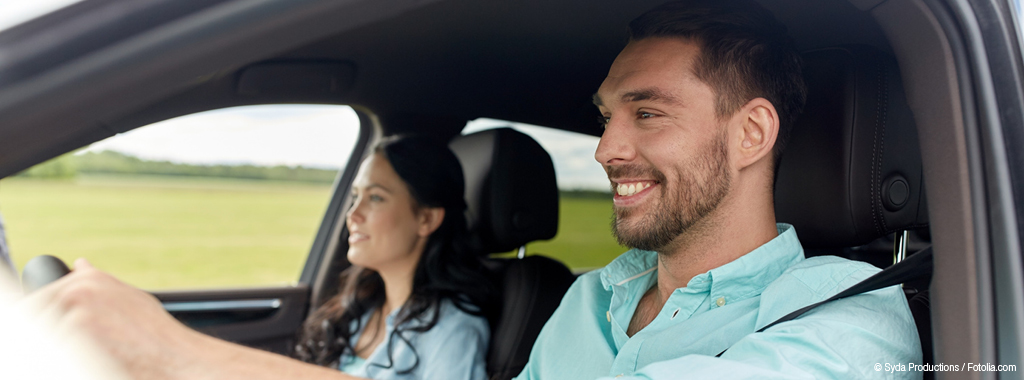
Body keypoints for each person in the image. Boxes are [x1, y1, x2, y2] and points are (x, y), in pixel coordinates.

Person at [513, 1, 921, 379]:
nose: (604, 151)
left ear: (750, 134)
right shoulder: (588, 299)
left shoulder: (852, 319)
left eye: (648, 113)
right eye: (606, 118)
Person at [28, 136, 492, 380]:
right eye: (354, 196)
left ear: (427, 219)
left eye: (376, 198)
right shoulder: (363, 309)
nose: (353, 214)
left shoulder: (454, 331)